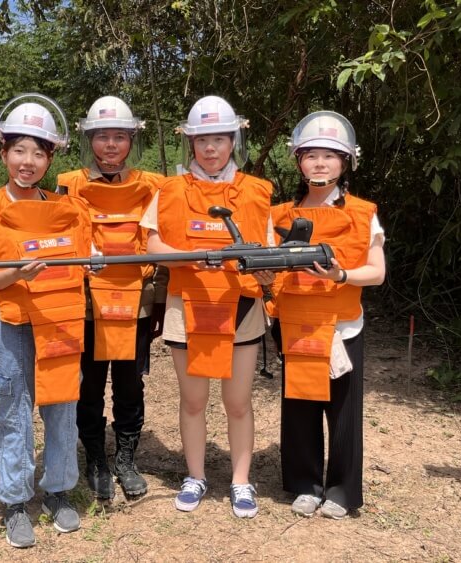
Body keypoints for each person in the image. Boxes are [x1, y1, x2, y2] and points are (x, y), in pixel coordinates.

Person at [140, 95, 275, 518]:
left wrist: (271, 276)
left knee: (238, 401)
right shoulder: (170, 190)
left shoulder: (256, 192)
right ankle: (195, 475)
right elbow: (153, 244)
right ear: (190, 143)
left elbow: (270, 249)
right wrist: (187, 257)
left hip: (240, 306)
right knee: (193, 399)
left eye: (220, 139)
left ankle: (240, 480)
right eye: (203, 140)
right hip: (188, 305)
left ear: (234, 140)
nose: (211, 148)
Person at [0, 94, 91, 547]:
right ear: (3, 153)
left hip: (60, 321)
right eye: (19, 150)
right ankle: (15, 500)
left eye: (39, 152)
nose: (28, 161)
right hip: (11, 324)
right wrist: (13, 274)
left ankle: (57, 490)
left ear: (50, 158)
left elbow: (85, 256)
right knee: (11, 411)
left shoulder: (69, 209)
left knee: (62, 408)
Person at [270, 110, 386, 520]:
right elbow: (270, 269)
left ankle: (341, 489)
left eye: (330, 155)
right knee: (299, 404)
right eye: (311, 155)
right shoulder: (279, 215)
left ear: (346, 161)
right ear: (298, 161)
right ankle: (304, 484)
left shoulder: (362, 212)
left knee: (343, 411)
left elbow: (377, 271)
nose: (320, 163)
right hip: (297, 323)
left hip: (341, 325)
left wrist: (342, 275)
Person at [57, 96, 165, 500]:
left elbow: (166, 242)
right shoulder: (67, 184)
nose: (111, 145)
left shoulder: (154, 186)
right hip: (85, 303)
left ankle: (126, 458)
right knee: (88, 383)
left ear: (131, 140)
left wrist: (160, 300)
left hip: (135, 300)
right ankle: (95, 458)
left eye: (119, 136)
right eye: (102, 137)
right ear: (89, 139)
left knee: (129, 382)